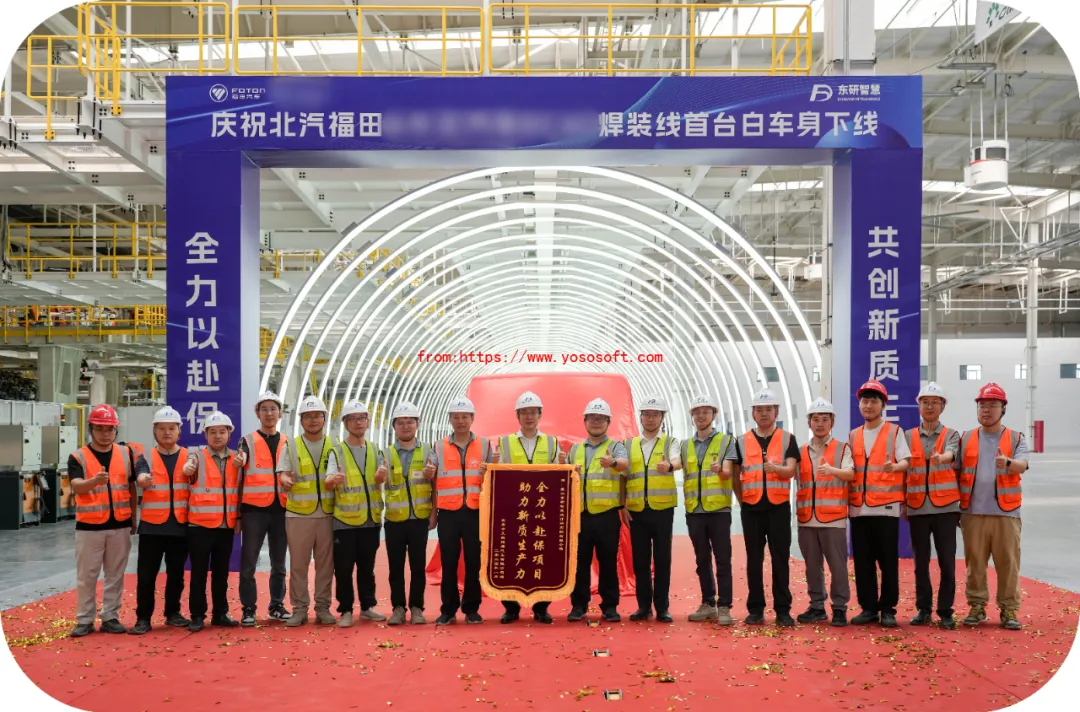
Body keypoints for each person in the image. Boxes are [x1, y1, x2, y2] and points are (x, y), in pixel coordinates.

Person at [959, 382, 1030, 631]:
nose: (986, 410)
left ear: (1003, 409)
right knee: (975, 564)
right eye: (982, 405)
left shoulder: (1016, 438)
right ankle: (977, 606)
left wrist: (1007, 462)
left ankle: (1008, 608)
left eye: (992, 405)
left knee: (1008, 563)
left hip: (1006, 513)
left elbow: (1023, 465)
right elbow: (955, 471)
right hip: (972, 513)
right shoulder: (966, 438)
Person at [727, 389, 799, 627]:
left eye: (769, 409)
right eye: (759, 409)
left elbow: (791, 470)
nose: (764, 413)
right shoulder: (741, 441)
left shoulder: (788, 439)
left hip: (778, 507)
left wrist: (776, 469)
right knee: (754, 560)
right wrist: (742, 501)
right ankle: (756, 609)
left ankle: (783, 610)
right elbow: (735, 475)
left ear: (777, 412)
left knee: (780, 559)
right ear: (753, 413)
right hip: (752, 509)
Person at [68, 404, 137, 638]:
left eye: (110, 429)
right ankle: (84, 619)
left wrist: (134, 518)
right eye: (99, 429)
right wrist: (93, 482)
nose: (105, 434)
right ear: (91, 429)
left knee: (115, 574)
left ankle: (110, 617)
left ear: (116, 430)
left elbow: (131, 487)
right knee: (87, 575)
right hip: (89, 527)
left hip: (119, 524)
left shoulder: (125, 453)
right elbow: (76, 486)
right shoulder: (78, 456)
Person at [498, 391, 566, 625]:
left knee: (541, 556)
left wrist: (564, 466)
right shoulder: (505, 443)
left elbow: (559, 475)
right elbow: (499, 476)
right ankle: (510, 607)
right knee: (512, 556)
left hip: (542, 510)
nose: (529, 416)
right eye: (524, 412)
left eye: (533, 412)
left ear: (540, 415)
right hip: (514, 510)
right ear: (517, 415)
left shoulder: (552, 442)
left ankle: (541, 607)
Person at [848, 379, 910, 629]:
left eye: (874, 401)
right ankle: (868, 608)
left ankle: (887, 609)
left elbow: (906, 461)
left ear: (883, 405)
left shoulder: (894, 432)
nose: (868, 405)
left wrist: (895, 467)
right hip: (859, 509)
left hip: (886, 508)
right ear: (859, 405)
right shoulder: (854, 435)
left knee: (887, 562)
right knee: (862, 562)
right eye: (865, 401)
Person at [129, 406, 191, 635]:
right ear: (154, 431)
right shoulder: (145, 456)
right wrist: (143, 479)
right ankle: (143, 618)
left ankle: (173, 613)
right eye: (162, 428)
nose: (167, 433)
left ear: (179, 431)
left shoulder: (190, 457)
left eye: (171, 428)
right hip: (152, 527)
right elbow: (141, 475)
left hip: (180, 525)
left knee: (176, 575)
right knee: (146, 576)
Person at [326, 401, 388, 627]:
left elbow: (381, 479)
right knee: (343, 569)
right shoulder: (337, 451)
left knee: (367, 567)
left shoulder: (375, 449)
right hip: (345, 521)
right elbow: (327, 480)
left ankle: (367, 607)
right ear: (345, 423)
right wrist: (333, 480)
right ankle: (345, 610)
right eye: (353, 419)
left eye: (362, 418)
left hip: (371, 520)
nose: (358, 422)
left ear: (368, 421)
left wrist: (382, 477)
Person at [905, 382, 961, 630]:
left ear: (943, 406)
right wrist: (903, 504)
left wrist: (943, 458)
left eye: (935, 402)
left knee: (947, 563)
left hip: (946, 509)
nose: (929, 407)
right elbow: (903, 472)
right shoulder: (907, 436)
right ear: (918, 406)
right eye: (925, 402)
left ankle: (946, 611)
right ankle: (923, 609)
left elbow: (952, 453)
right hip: (917, 508)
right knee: (920, 564)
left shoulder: (951, 435)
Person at [278, 396, 338, 627]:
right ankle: (299, 609)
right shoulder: (291, 446)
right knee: (298, 565)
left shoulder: (335, 446)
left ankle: (323, 608)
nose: (313, 420)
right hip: (298, 515)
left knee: (326, 565)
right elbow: (283, 473)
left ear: (324, 419)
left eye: (317, 416)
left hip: (327, 514)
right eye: (308, 416)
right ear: (301, 420)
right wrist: (284, 480)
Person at [433, 397, 494, 626]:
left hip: (475, 513)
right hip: (448, 513)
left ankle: (471, 608)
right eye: (456, 417)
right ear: (450, 419)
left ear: (472, 418)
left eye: (465, 417)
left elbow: (493, 478)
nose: (460, 421)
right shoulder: (438, 447)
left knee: (473, 562)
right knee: (448, 563)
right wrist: (433, 512)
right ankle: (448, 609)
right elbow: (432, 479)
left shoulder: (485, 446)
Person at [568, 398, 628, 623]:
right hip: (580, 516)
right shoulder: (575, 449)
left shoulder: (615, 446)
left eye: (601, 419)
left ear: (608, 422)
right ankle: (579, 605)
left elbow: (624, 465)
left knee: (608, 563)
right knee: (579, 563)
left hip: (606, 516)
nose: (596, 422)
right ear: (585, 421)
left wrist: (612, 463)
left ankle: (610, 606)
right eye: (592, 418)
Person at [795, 398, 854, 627]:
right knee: (812, 567)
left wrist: (833, 470)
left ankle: (839, 608)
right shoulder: (800, 451)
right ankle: (817, 606)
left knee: (838, 567)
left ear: (832, 422)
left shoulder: (842, 448)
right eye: (816, 419)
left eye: (825, 419)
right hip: (807, 518)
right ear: (809, 423)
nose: (820, 424)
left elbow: (850, 474)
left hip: (833, 519)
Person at [183, 410, 241, 631]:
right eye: (213, 432)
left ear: (229, 434)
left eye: (222, 432)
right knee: (198, 573)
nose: (218, 436)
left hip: (226, 526)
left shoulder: (236, 459)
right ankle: (197, 615)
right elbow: (187, 469)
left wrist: (238, 518)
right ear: (206, 435)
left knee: (221, 573)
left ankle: (220, 613)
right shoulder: (196, 457)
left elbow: (239, 491)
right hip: (200, 526)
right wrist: (187, 469)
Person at [237, 391, 291, 627]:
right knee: (248, 562)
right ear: (257, 413)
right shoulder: (246, 441)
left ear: (280, 413)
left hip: (281, 509)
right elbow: (239, 476)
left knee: (279, 562)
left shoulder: (288, 442)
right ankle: (248, 609)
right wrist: (238, 514)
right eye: (264, 409)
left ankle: (276, 606)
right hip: (254, 511)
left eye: (273, 409)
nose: (269, 413)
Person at [624, 396, 679, 624]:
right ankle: (643, 606)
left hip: (662, 509)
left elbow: (677, 461)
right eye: (646, 414)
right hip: (637, 510)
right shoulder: (629, 445)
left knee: (663, 560)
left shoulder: (670, 442)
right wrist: (623, 504)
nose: (650, 418)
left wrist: (670, 466)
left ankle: (662, 608)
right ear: (640, 417)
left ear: (662, 418)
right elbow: (623, 476)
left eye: (655, 414)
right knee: (641, 561)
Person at [683, 395, 735, 626]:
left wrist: (720, 470)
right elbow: (677, 465)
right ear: (692, 416)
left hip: (718, 510)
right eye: (697, 412)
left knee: (723, 559)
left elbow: (728, 471)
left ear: (714, 414)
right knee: (702, 560)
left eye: (705, 411)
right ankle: (708, 603)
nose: (701, 416)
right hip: (694, 509)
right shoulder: (685, 445)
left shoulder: (726, 441)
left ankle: (724, 606)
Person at [383, 402, 436, 626]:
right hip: (394, 519)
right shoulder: (385, 454)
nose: (406, 426)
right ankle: (397, 608)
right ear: (394, 426)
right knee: (395, 567)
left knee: (417, 566)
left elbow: (435, 485)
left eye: (410, 422)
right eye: (401, 422)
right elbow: (378, 482)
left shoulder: (428, 452)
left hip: (419, 519)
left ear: (418, 424)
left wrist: (433, 513)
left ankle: (416, 608)